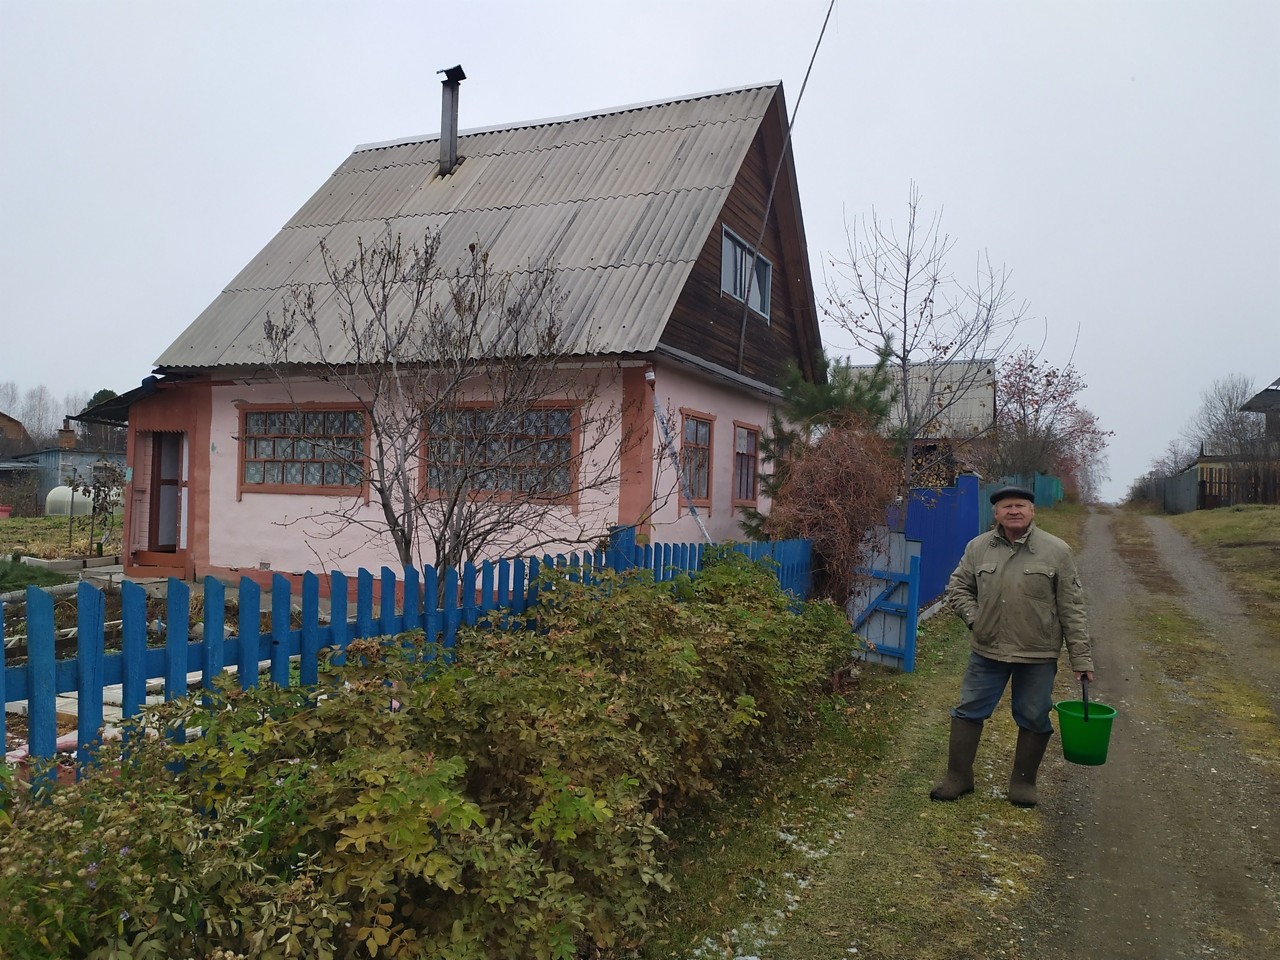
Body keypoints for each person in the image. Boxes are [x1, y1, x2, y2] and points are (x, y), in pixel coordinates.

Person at [930, 484, 1093, 808]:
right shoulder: (978, 548)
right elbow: (958, 587)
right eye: (1007, 507)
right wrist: (976, 620)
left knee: (1034, 715)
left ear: (1032, 511)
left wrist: (1081, 658)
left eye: (1020, 505)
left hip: (1037, 652)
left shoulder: (1056, 551)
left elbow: (1072, 606)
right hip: (987, 649)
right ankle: (958, 777)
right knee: (968, 709)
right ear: (996, 514)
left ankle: (1023, 783)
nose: (1014, 511)